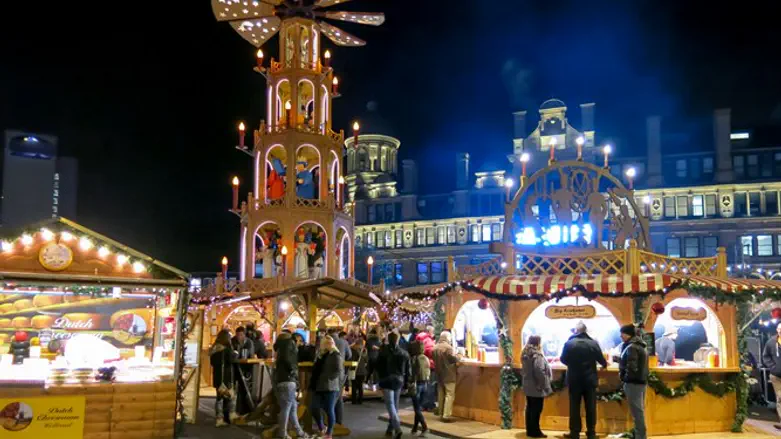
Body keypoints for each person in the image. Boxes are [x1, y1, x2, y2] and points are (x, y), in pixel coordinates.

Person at [560, 322, 607, 439]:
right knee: (591, 406)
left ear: (576, 331)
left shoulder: (569, 343)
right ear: (585, 331)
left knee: (574, 406)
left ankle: (574, 432)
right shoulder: (593, 343)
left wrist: (573, 365)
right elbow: (602, 361)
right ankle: (591, 432)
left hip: (574, 379)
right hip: (590, 380)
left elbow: (563, 359)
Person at [273, 330, 310, 439]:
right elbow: (288, 360)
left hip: (281, 380)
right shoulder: (289, 344)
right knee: (287, 407)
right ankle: (283, 432)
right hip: (289, 380)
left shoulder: (279, 348)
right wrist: (293, 371)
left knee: (292, 407)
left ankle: (299, 432)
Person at [376, 331, 411, 439]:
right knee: (394, 405)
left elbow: (378, 366)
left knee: (390, 405)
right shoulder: (404, 353)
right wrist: (407, 383)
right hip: (399, 380)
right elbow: (408, 370)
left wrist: (378, 380)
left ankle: (397, 428)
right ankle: (390, 429)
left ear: (388, 339)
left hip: (387, 379)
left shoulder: (383, 352)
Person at [310, 335, 344, 439]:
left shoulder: (335, 354)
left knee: (329, 409)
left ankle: (329, 433)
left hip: (330, 386)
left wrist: (329, 378)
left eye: (329, 343)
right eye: (326, 343)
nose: (328, 345)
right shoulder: (321, 355)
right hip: (318, 385)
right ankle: (321, 427)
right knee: (314, 407)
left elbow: (338, 370)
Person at [619, 325, 649, 439]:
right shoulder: (640, 345)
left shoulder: (631, 347)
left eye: (622, 333)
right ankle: (640, 434)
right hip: (641, 381)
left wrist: (625, 378)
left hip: (633, 383)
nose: (620, 336)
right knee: (639, 411)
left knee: (637, 412)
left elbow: (632, 367)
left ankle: (640, 436)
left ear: (627, 334)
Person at [521, 335, 552, 438]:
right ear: (538, 343)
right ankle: (536, 432)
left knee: (529, 408)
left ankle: (529, 430)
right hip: (536, 387)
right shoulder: (537, 355)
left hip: (528, 386)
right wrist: (542, 384)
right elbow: (539, 370)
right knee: (536, 409)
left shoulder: (525, 353)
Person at [210, 329, 238, 427]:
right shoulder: (227, 349)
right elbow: (231, 360)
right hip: (226, 377)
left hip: (217, 377)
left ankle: (219, 418)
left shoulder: (214, 348)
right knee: (229, 397)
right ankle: (228, 417)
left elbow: (212, 363)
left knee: (219, 397)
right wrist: (236, 353)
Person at [432, 331, 460, 422]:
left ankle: (440, 413)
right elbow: (454, 359)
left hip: (439, 374)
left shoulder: (435, 347)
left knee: (441, 394)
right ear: (448, 338)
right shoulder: (448, 348)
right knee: (449, 394)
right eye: (450, 338)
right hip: (449, 374)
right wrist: (459, 356)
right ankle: (446, 415)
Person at [328, 328, 351, 425]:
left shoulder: (326, 342)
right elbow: (349, 355)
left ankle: (329, 421)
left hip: (327, 374)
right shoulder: (344, 342)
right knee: (338, 397)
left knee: (329, 397)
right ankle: (339, 420)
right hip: (340, 373)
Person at [232, 326, 257, 415]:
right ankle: (234, 410)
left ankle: (244, 410)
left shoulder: (249, 342)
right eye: (238, 335)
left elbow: (251, 354)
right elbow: (232, 353)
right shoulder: (233, 341)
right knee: (234, 388)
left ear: (244, 335)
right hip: (235, 367)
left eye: (241, 335)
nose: (239, 337)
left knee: (244, 388)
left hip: (246, 368)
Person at [409, 337, 430, 437]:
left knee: (416, 408)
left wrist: (409, 382)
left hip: (416, 385)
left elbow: (412, 373)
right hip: (424, 384)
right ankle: (415, 427)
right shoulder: (426, 358)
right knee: (418, 407)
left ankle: (425, 427)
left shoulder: (414, 359)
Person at [762, 322, 781, 430]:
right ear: (777, 330)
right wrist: (773, 367)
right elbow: (765, 357)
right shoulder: (771, 342)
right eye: (779, 329)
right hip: (776, 376)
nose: (780, 331)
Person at [416, 325, 437, 411]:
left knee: (423, 385)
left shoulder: (420, 338)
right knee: (430, 386)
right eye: (433, 331)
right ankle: (429, 405)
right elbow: (431, 352)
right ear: (430, 332)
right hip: (429, 365)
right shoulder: (428, 340)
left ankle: (421, 404)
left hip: (421, 365)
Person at [350, 338, 368, 404]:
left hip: (354, 370)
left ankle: (354, 400)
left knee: (354, 386)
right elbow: (366, 361)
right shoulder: (364, 351)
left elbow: (352, 360)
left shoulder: (352, 350)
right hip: (362, 371)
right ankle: (360, 400)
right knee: (360, 386)